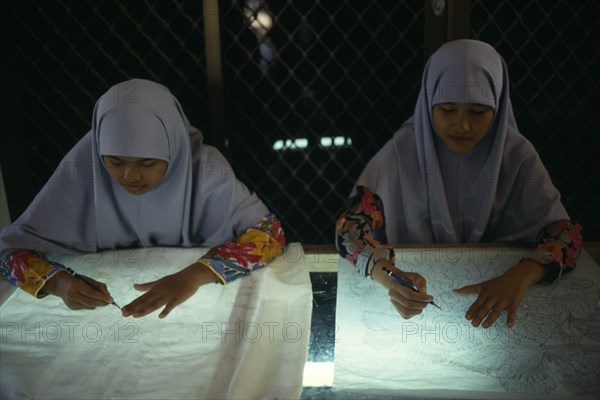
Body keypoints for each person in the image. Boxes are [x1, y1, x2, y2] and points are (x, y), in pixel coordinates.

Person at [335, 39, 582, 329]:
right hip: (413, 309)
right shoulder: (404, 153)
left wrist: (523, 274)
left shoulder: (515, 157)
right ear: (428, 103)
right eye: (448, 110)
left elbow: (566, 236)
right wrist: (387, 275)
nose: (462, 125)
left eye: (478, 112)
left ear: (499, 106)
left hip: (501, 305)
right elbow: (350, 228)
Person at [0, 78, 285, 318]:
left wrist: (195, 275)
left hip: (201, 317)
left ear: (174, 148)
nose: (129, 176)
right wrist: (59, 283)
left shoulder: (206, 172)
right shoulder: (83, 171)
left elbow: (270, 235)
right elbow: (7, 250)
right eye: (114, 161)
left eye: (147, 163)